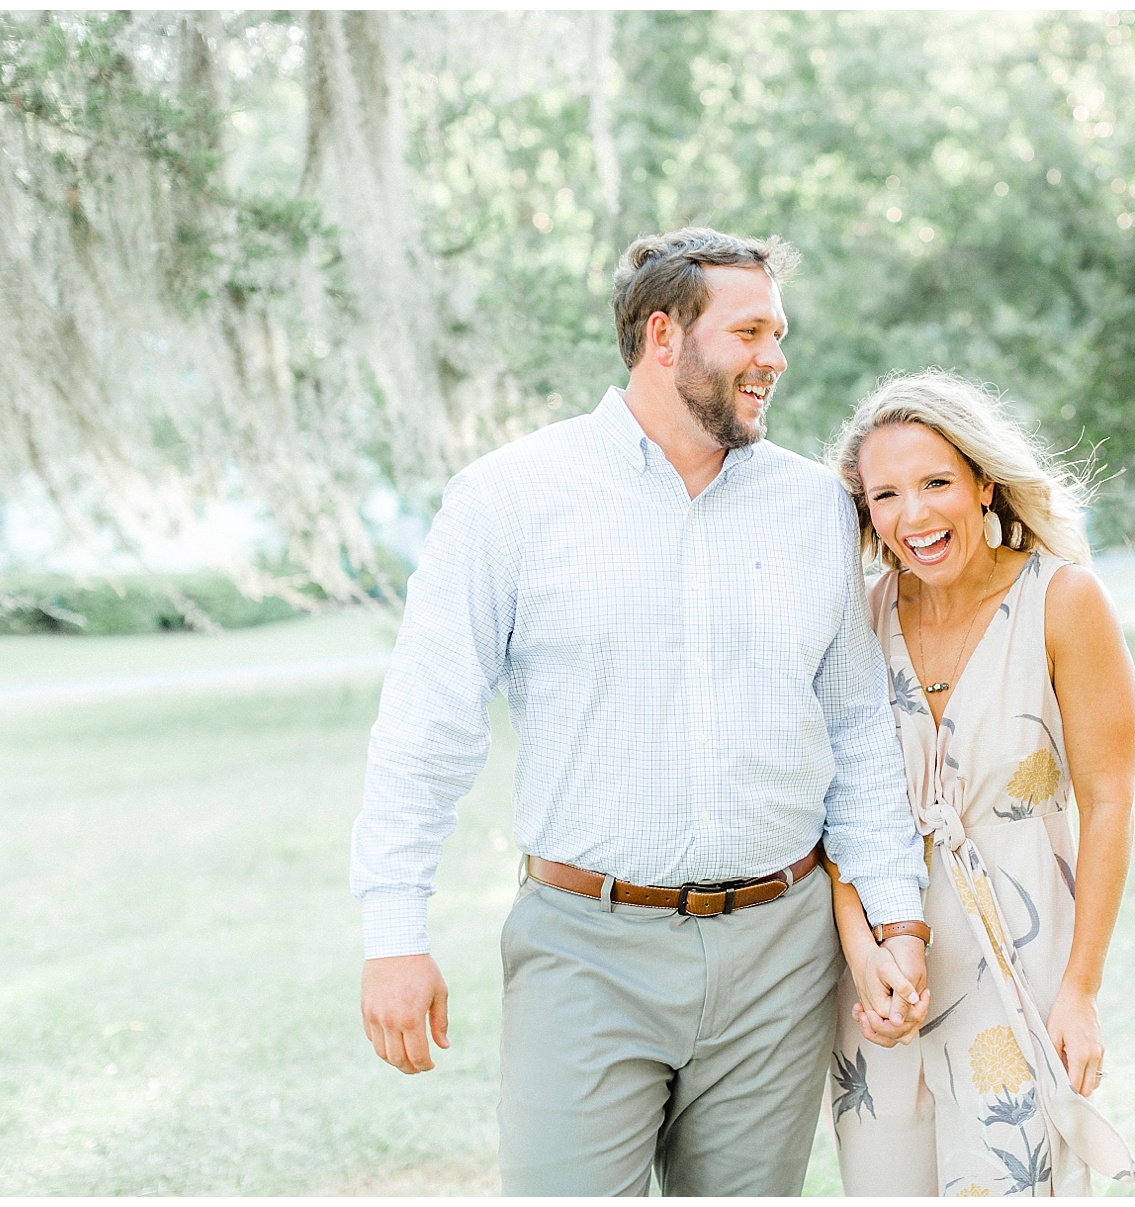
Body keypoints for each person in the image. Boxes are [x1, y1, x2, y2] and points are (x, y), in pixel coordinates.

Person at [349, 227, 931, 1197]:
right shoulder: (510, 500)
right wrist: (392, 934)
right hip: (585, 949)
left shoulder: (816, 510)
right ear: (665, 337)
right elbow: (427, 723)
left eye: (780, 334)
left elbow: (857, 730)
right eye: (751, 332)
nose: (776, 358)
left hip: (780, 955)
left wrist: (897, 916)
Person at [823, 369, 1135, 1195]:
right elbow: (833, 807)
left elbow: (1109, 802)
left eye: (936, 482)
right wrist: (863, 957)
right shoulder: (857, 617)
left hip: (1020, 962)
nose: (915, 515)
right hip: (883, 980)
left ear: (982, 482)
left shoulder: (1063, 600)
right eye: (886, 494)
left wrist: (1080, 990)